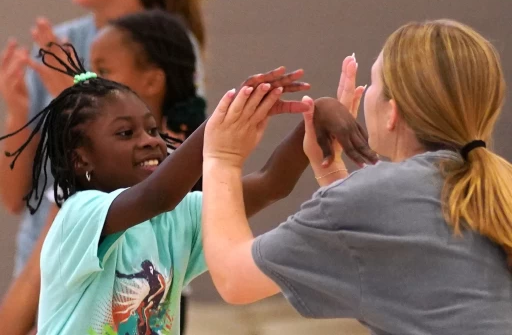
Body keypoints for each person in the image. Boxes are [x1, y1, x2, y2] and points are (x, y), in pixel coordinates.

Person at [0, 44, 375, 334]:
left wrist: (318, 114)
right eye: (126, 133)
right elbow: (157, 195)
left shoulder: (176, 217)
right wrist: (221, 125)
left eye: (152, 130)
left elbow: (272, 183)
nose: (150, 141)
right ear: (82, 160)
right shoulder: (78, 216)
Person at [201, 19, 512, 335]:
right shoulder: (500, 187)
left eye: (374, 83)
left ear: (393, 112)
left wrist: (221, 158)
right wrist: (332, 171)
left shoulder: (377, 197)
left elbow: (233, 278)